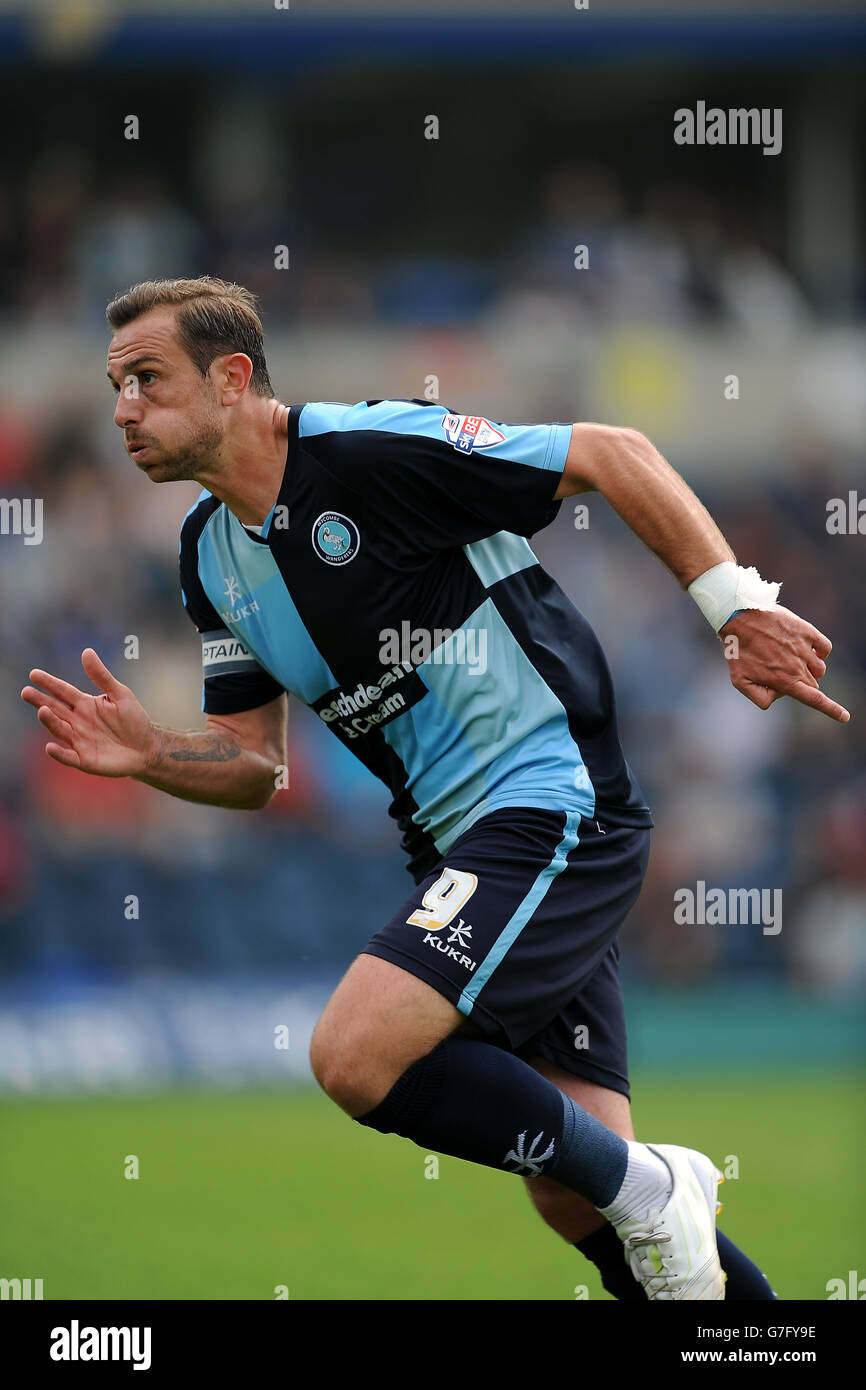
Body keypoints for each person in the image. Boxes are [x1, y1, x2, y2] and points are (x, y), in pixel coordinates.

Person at [22, 277, 849, 1300]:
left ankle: (651, 1187)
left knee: (353, 1055)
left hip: (551, 799)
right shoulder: (207, 558)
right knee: (571, 1194)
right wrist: (154, 753)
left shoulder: (369, 452)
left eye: (147, 380)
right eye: (115, 387)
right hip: (462, 847)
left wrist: (733, 609)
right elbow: (255, 762)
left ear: (232, 378)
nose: (122, 412)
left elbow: (612, 452)